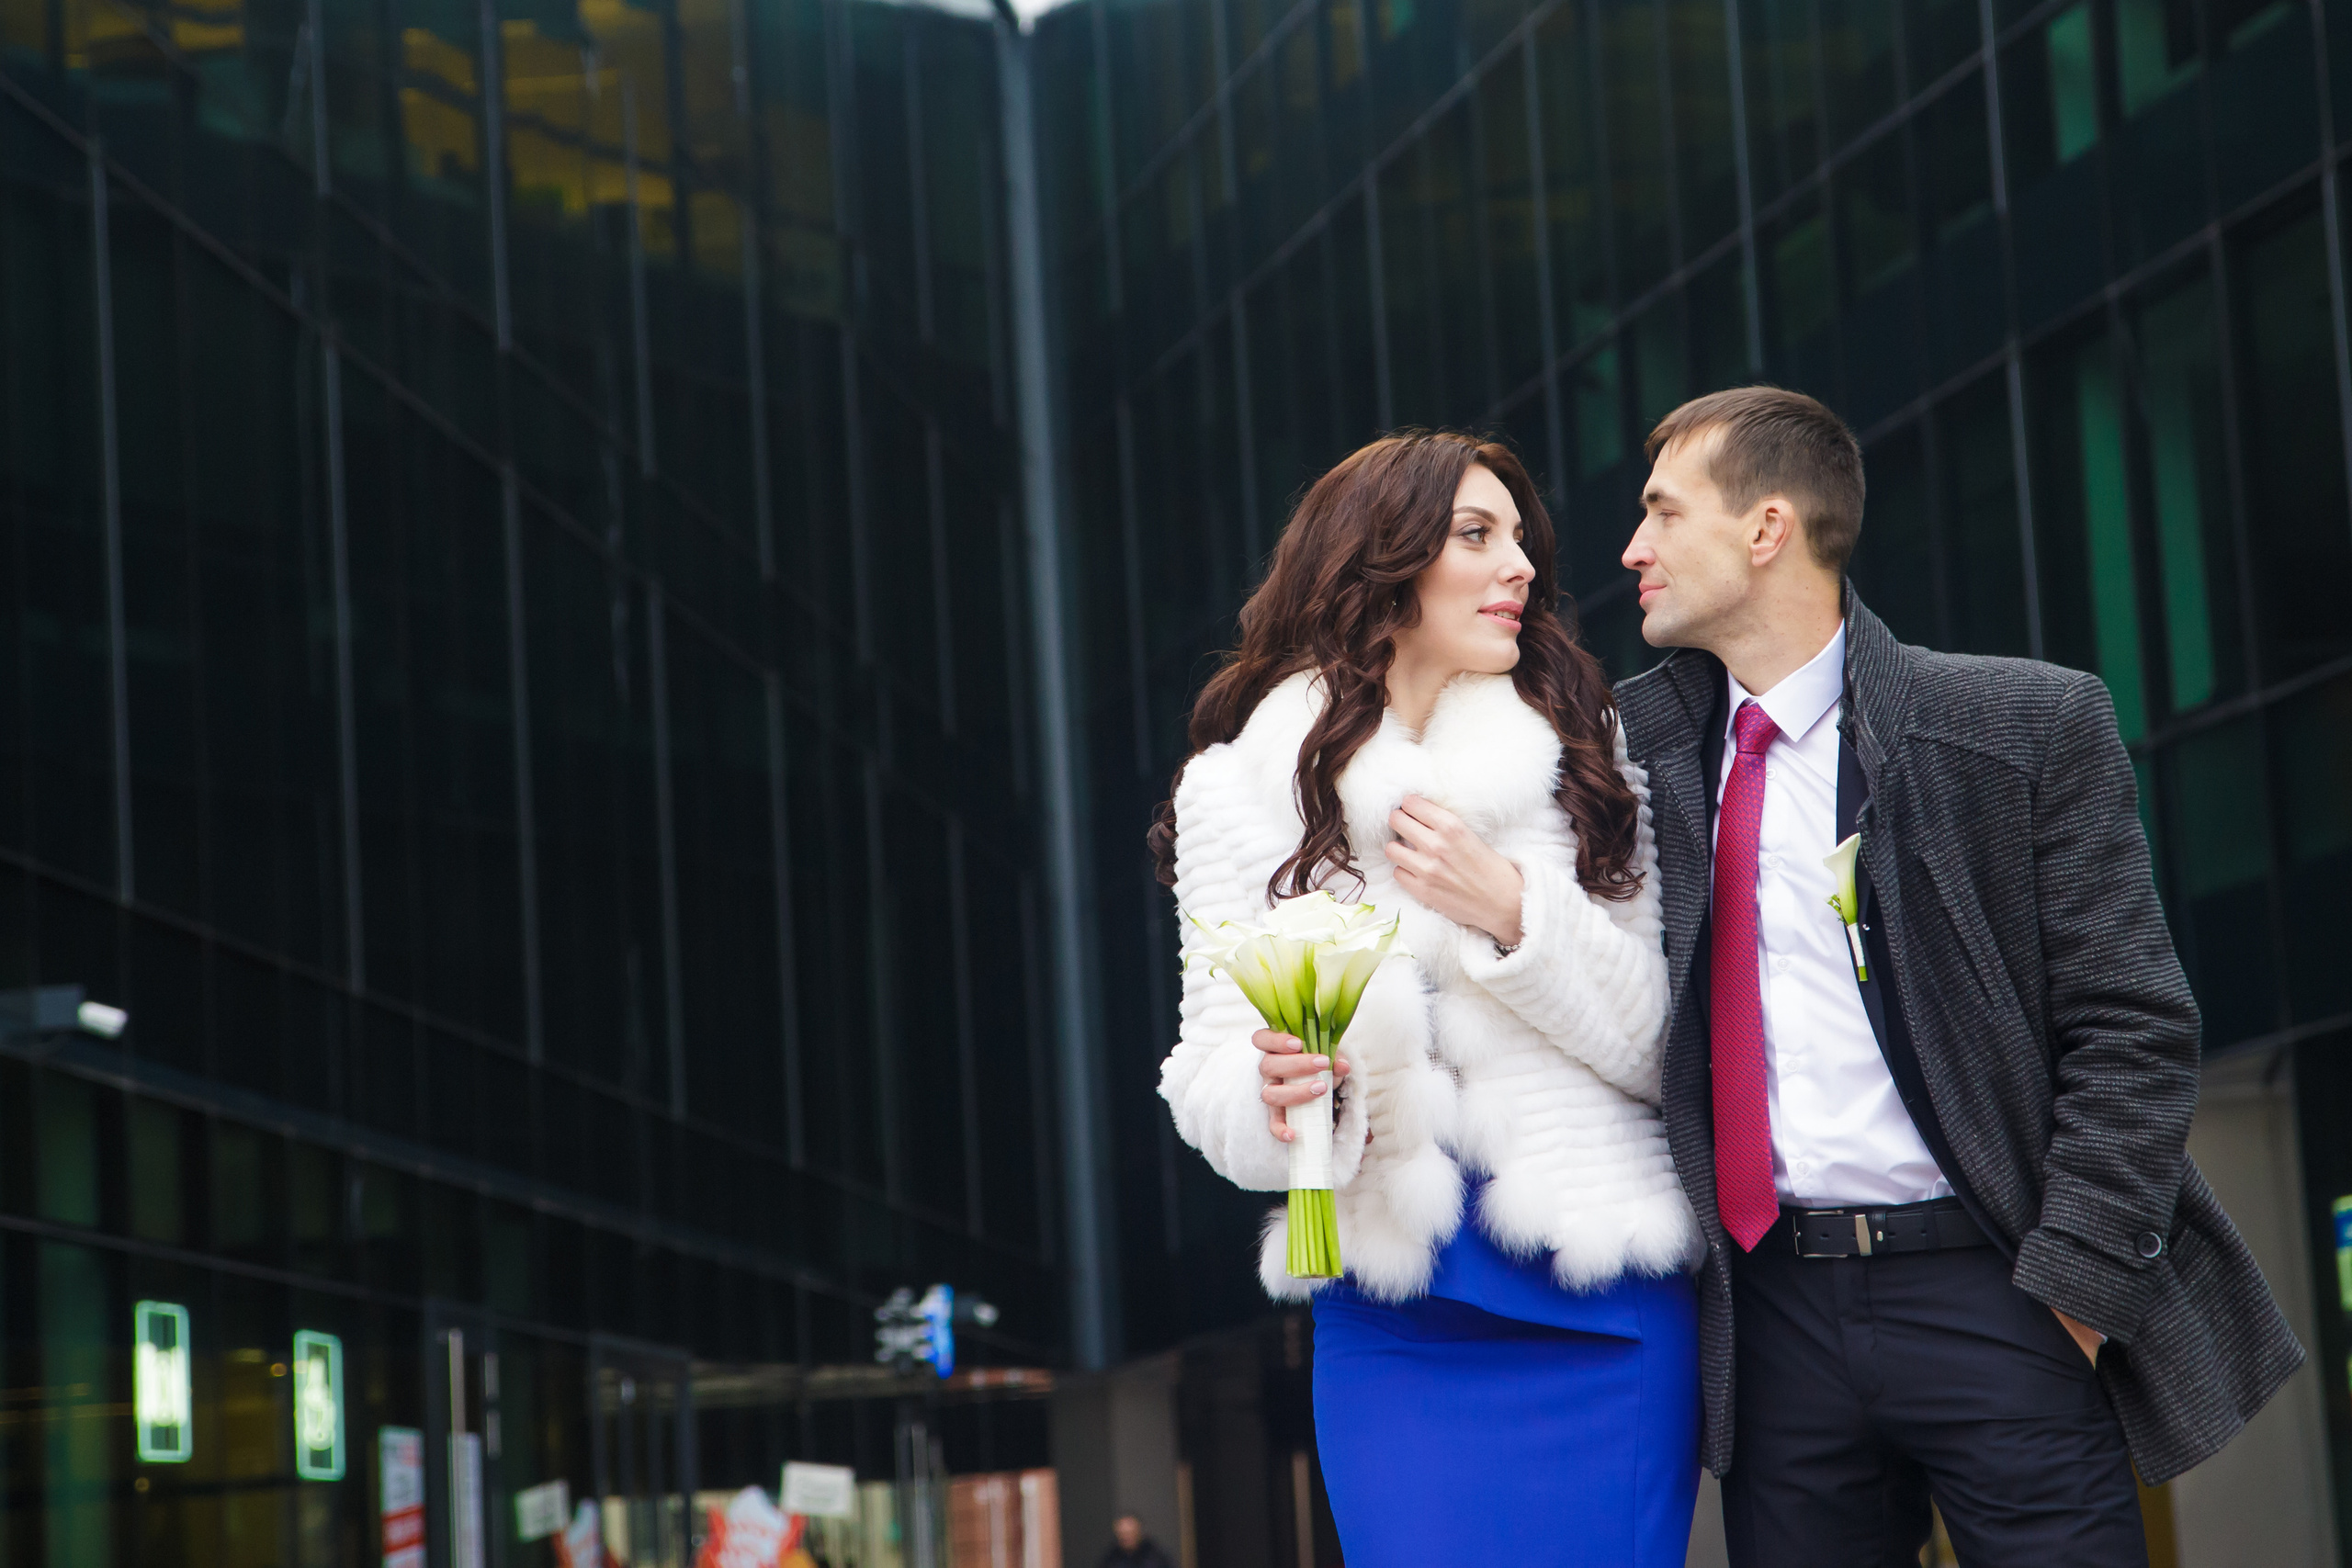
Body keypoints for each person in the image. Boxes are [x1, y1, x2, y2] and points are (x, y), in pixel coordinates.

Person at [1611, 385, 2304, 1566]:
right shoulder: (1635, 761)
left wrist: (2073, 1296)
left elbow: (2132, 1025)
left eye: (1663, 513)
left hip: (1995, 1291)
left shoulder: (2020, 726)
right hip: (1771, 1319)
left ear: (1766, 529)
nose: (1632, 549)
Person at [1157, 433, 1701, 1567]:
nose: (1521, 569)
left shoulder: (1586, 757)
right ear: (1379, 561)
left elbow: (1669, 1050)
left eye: (1519, 542)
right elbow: (1206, 1073)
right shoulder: (1238, 789)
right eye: (1476, 535)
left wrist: (1514, 913)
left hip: (1601, 1299)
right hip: (1395, 1316)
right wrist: (1275, 1097)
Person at [1095, 1513, 1172, 1568]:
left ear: (1138, 1533)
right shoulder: (1110, 1559)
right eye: (1122, 1534)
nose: (1126, 1537)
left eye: (1129, 1533)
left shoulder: (1156, 1558)